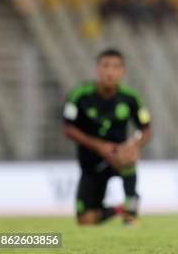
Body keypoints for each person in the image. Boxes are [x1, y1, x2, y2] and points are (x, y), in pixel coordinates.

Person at [63, 49, 152, 226]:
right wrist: (99, 146)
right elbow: (68, 129)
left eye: (116, 67)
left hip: (118, 157)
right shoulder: (80, 95)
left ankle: (131, 212)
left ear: (123, 71)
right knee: (85, 221)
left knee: (128, 154)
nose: (110, 71)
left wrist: (134, 144)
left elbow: (146, 130)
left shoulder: (130, 97)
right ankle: (120, 209)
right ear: (97, 69)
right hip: (91, 163)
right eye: (106, 66)